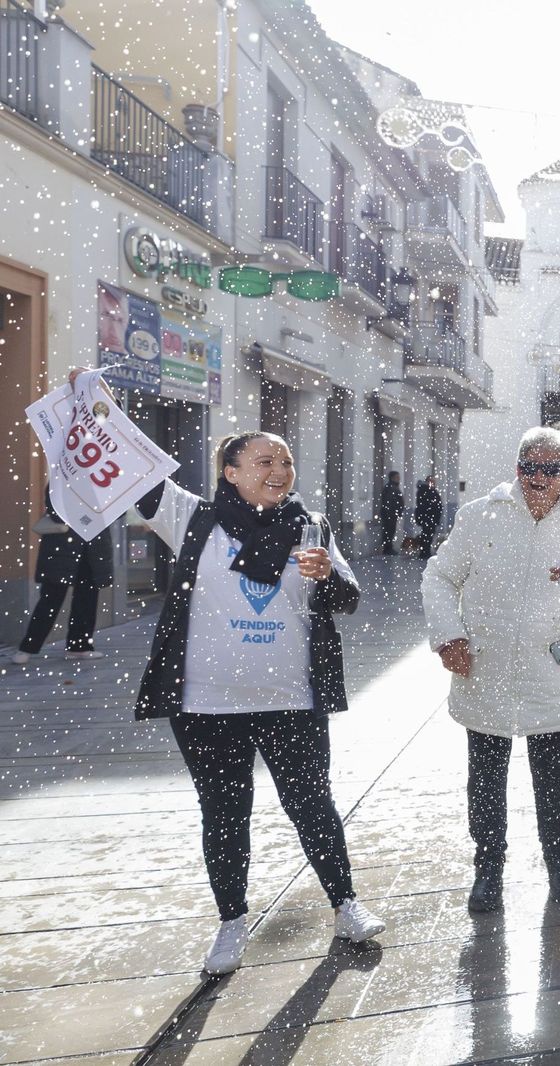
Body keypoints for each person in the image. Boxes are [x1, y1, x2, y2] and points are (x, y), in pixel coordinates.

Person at [58, 367, 386, 976]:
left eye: (285, 461)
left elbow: (348, 598)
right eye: (264, 461)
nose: (279, 470)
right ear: (230, 472)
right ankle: (232, 922)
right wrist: (96, 403)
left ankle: (346, 905)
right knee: (224, 812)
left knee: (312, 805)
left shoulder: (311, 526)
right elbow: (132, 471)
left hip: (290, 700)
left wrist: (326, 576)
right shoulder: (192, 517)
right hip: (206, 705)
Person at [423, 429, 560, 911]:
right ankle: (488, 868)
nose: (538, 478)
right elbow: (440, 576)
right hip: (484, 670)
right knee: (485, 780)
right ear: (517, 468)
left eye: (550, 469)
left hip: (550, 673)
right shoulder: (479, 515)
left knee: (555, 781)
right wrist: (448, 635)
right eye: (529, 467)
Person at [11, 499, 113, 664]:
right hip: (63, 546)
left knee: (86, 599)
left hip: (92, 549)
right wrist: (83, 516)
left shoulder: (106, 488)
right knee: (51, 599)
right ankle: (27, 647)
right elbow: (55, 509)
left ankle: (79, 647)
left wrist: (97, 513)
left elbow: (116, 511)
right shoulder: (63, 483)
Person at [414, 475, 443, 558]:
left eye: (434, 482)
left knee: (428, 535)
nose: (434, 483)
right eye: (432, 481)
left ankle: (425, 551)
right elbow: (425, 505)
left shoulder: (430, 491)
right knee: (427, 535)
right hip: (428, 517)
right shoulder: (426, 491)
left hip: (430, 517)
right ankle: (424, 552)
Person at [378, 471, 405, 555]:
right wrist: (392, 512)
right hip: (390, 514)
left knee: (390, 531)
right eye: (397, 477)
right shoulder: (390, 488)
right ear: (392, 478)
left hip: (392, 514)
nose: (399, 479)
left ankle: (388, 548)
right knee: (388, 531)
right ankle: (387, 548)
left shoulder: (393, 487)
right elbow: (389, 502)